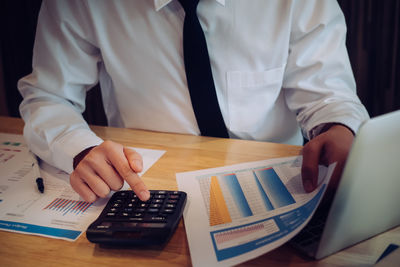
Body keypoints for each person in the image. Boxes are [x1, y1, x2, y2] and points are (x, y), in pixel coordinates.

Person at [18, 0, 369, 203]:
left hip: (281, 186)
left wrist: (339, 126)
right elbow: (48, 95)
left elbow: (329, 94)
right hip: (147, 186)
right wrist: (78, 148)